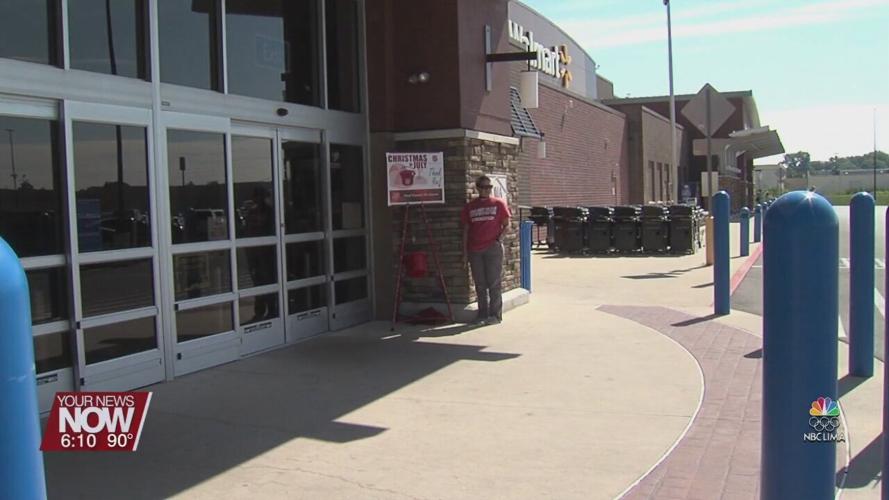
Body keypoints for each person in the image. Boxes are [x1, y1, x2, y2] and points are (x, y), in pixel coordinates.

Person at [461, 175, 511, 324]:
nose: (486, 190)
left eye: (489, 187)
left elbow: (507, 224)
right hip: (474, 250)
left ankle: (495, 315)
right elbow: (466, 230)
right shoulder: (470, 207)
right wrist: (465, 252)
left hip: (492, 248)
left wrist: (499, 239)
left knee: (494, 282)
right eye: (483, 187)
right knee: (480, 284)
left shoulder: (499, 204)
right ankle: (482, 315)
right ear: (477, 188)